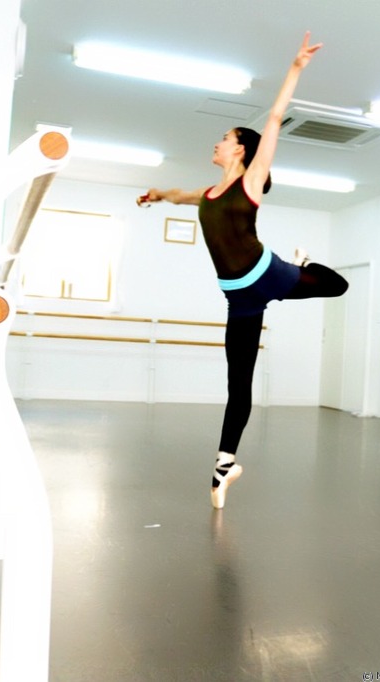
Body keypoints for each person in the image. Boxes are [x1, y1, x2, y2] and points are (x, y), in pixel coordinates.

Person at [137, 32, 348, 509]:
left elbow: (274, 119)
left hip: (267, 273)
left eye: (224, 139)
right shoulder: (209, 194)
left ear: (240, 150)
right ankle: (224, 465)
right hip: (239, 296)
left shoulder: (251, 182)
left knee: (337, 285)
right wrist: (155, 195)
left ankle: (302, 263)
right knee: (239, 383)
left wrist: (296, 67)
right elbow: (178, 194)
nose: (217, 143)